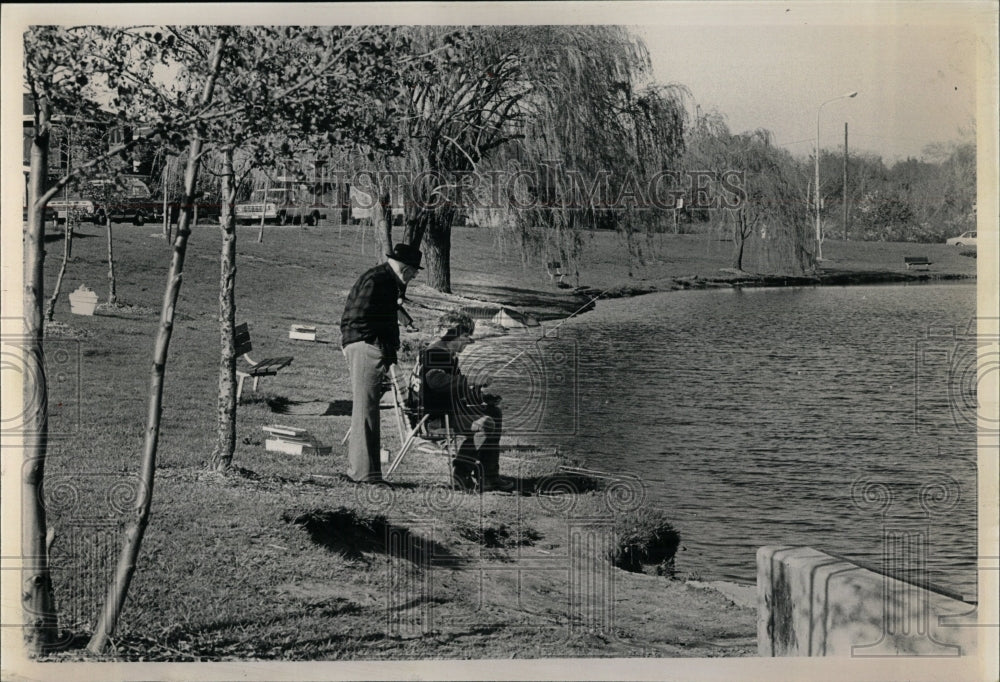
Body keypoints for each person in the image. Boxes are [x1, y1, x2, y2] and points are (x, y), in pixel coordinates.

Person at [340, 243, 422, 483]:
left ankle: (370, 473)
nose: (415, 275)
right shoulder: (379, 280)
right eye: (415, 271)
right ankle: (363, 474)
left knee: (370, 410)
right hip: (366, 348)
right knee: (365, 410)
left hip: (369, 348)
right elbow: (357, 317)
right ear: (406, 268)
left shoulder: (385, 279)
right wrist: (375, 345)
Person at [410, 311, 515, 492]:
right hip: (433, 421)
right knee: (486, 423)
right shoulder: (438, 354)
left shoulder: (436, 351)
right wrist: (473, 380)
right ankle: (461, 474)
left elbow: (450, 390)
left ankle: (489, 476)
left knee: (493, 411)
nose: (468, 341)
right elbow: (435, 380)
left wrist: (481, 398)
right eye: (465, 336)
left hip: (431, 413)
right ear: (452, 335)